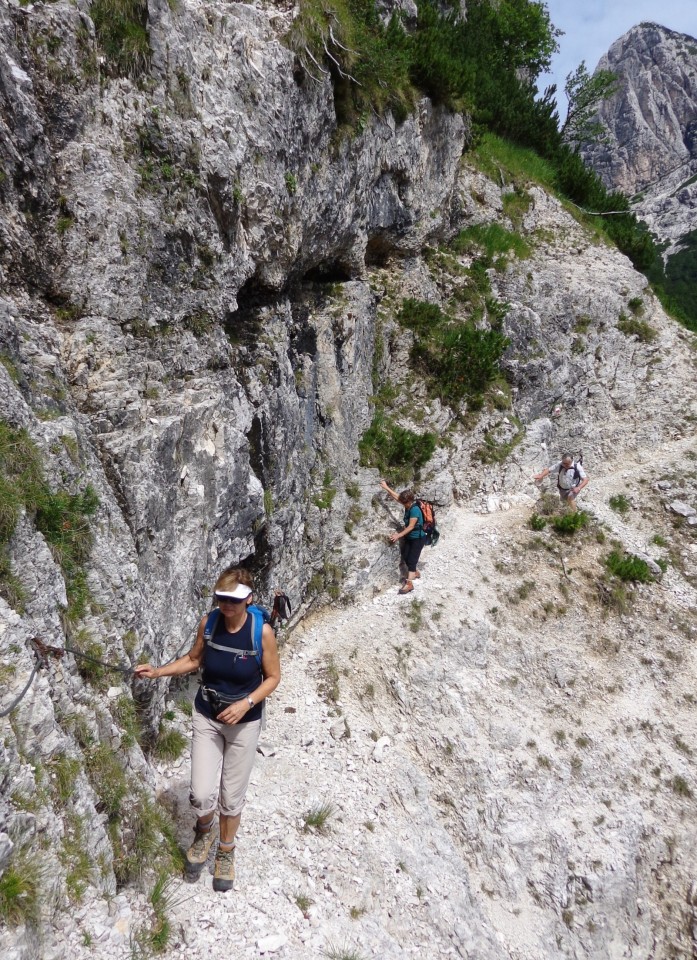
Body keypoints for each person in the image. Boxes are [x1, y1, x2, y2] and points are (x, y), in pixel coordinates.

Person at [134, 567, 281, 892]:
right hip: (207, 715)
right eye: (221, 598)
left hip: (244, 723)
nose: (226, 605)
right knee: (201, 794)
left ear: (248, 599)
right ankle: (204, 831)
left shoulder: (262, 632)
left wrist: (246, 703)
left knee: (231, 798)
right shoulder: (209, 624)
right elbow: (193, 659)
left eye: (234, 599)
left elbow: (273, 677)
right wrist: (158, 672)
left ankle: (225, 851)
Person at [379, 480, 428, 594]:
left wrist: (398, 535)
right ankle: (415, 572)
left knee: (412, 560)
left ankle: (409, 584)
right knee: (406, 557)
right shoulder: (408, 504)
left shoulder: (415, 510)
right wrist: (386, 487)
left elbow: (411, 526)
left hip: (418, 538)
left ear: (409, 501)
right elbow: (397, 497)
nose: (402, 503)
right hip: (410, 537)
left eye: (404, 502)